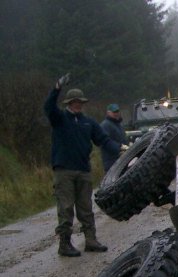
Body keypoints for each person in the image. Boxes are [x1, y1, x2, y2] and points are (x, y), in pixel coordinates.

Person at [43, 73, 126, 257]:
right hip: (64, 170)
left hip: (83, 170)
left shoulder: (89, 122)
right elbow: (48, 107)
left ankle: (91, 240)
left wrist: (121, 149)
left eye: (80, 101)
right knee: (65, 208)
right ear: (68, 103)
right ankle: (64, 244)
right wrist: (57, 88)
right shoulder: (59, 118)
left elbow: (103, 140)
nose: (77, 104)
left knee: (86, 208)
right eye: (74, 102)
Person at [100, 103, 128, 172]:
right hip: (111, 162)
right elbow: (105, 142)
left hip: (122, 160)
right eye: (114, 112)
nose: (116, 113)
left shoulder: (119, 125)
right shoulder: (105, 125)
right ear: (108, 113)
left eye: (117, 111)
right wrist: (119, 148)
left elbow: (122, 139)